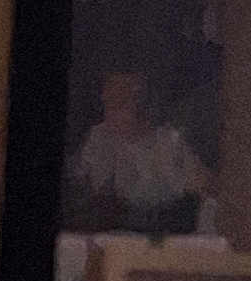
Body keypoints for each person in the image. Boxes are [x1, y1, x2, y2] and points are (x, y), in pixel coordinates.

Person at [64, 70, 210, 234]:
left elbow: (203, 187)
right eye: (108, 102)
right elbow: (83, 184)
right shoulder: (99, 137)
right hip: (110, 232)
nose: (111, 110)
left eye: (121, 102)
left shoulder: (170, 141)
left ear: (142, 104)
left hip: (162, 234)